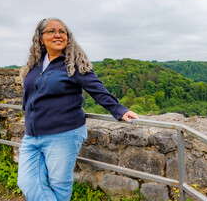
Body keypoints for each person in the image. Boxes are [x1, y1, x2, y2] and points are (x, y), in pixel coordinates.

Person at [18, 17, 138, 201]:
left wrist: (119, 110)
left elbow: (97, 90)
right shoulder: (35, 65)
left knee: (59, 184)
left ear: (68, 37)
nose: (58, 34)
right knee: (27, 182)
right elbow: (29, 93)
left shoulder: (74, 64)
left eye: (62, 32)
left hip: (63, 134)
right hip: (32, 136)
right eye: (51, 31)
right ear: (41, 38)